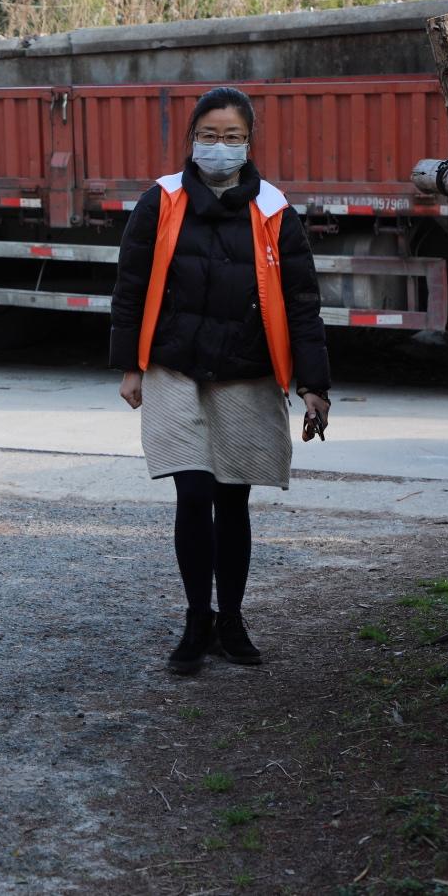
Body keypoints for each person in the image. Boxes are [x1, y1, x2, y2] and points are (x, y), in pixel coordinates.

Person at [109, 86, 332, 677]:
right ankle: (195, 619)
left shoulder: (275, 209)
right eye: (209, 135)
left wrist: (314, 383)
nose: (220, 147)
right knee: (193, 493)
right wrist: (130, 366)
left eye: (233, 137)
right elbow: (131, 287)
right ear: (192, 138)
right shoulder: (162, 200)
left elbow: (302, 302)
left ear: (250, 142)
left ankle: (231, 619)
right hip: (174, 368)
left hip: (246, 372)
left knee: (234, 499)